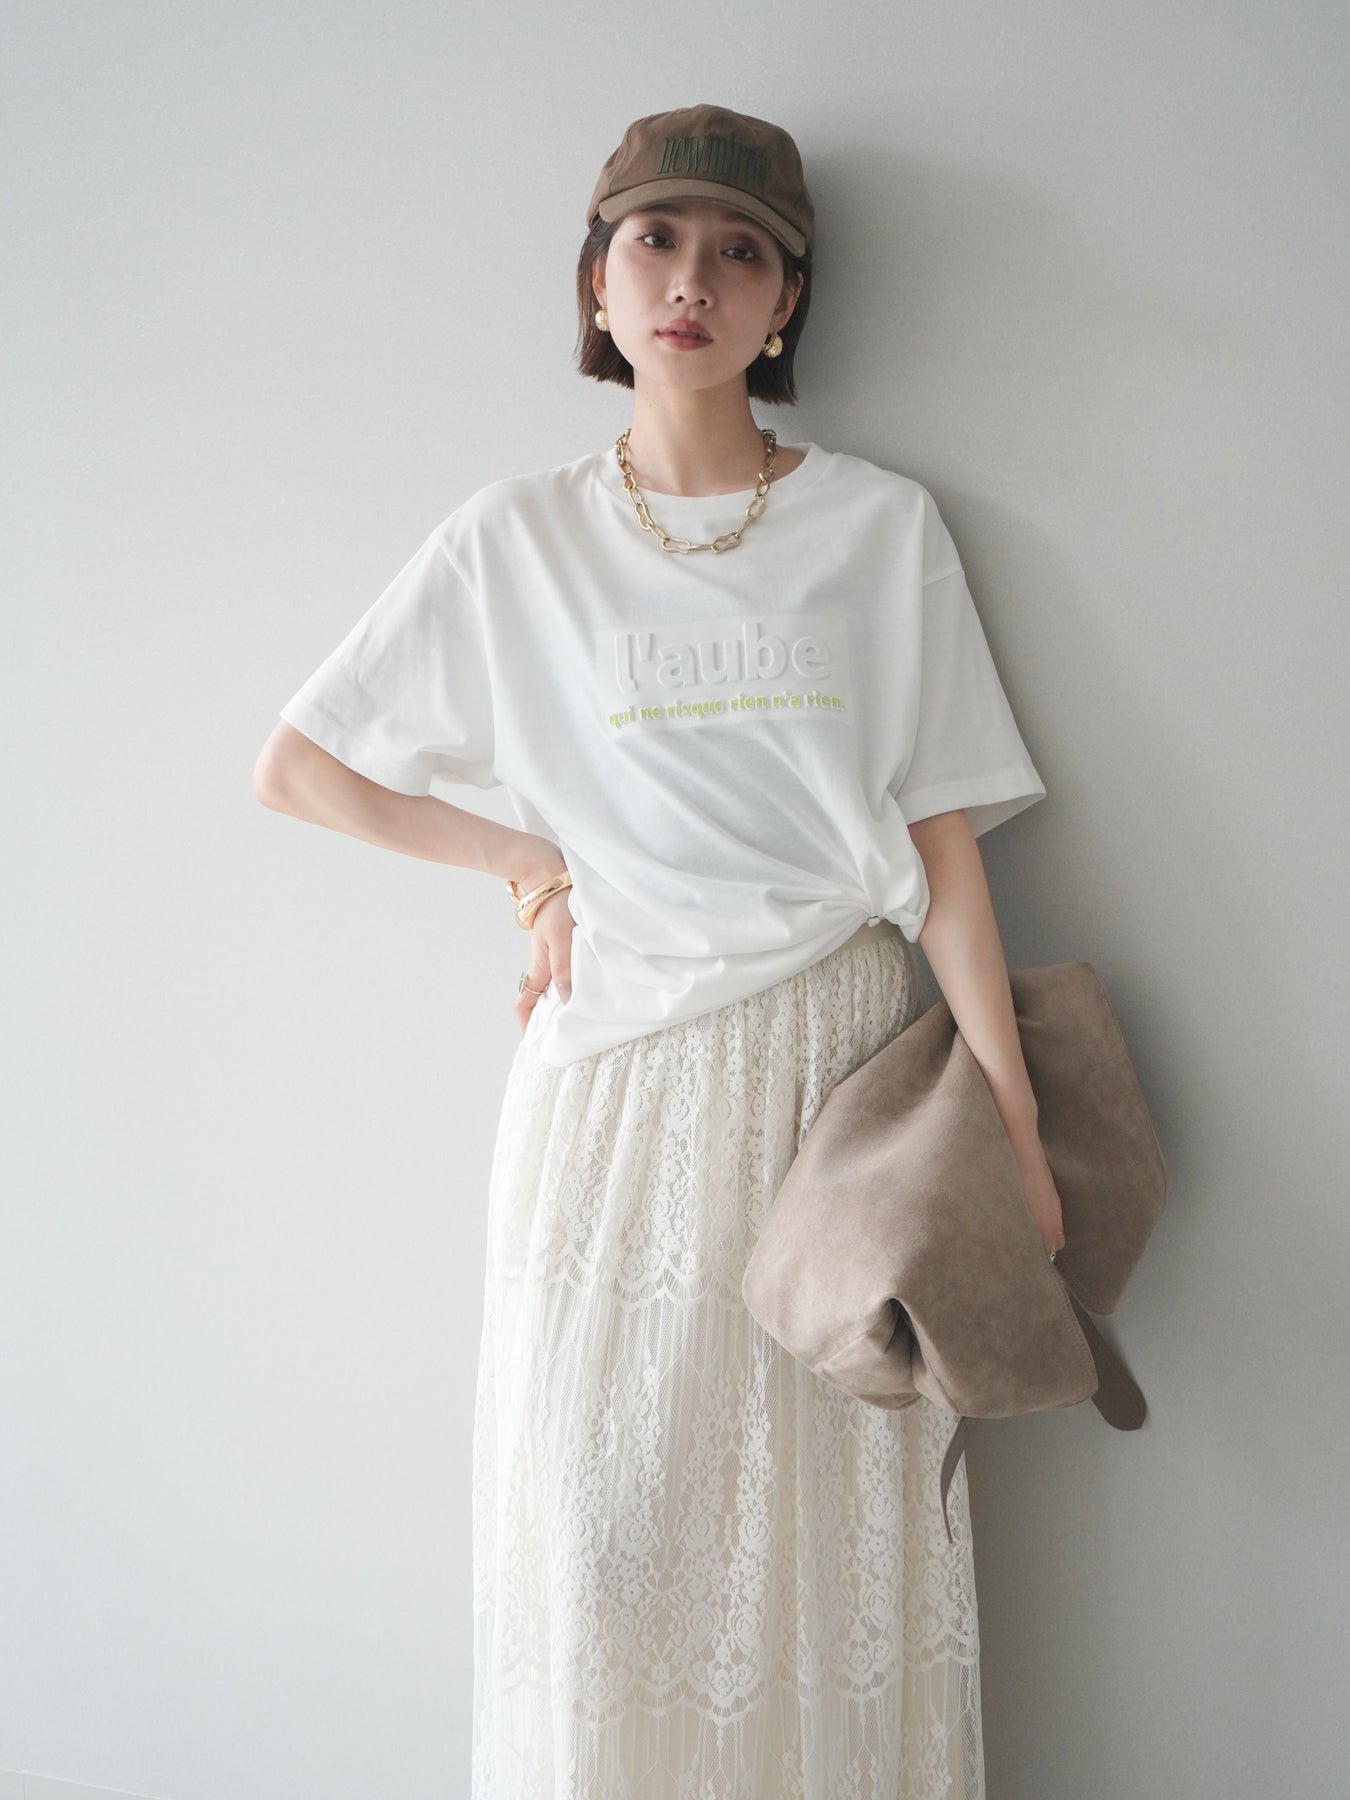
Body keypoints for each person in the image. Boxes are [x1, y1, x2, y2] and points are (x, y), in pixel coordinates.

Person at [254, 101, 1062, 1800]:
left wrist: (1005, 1109)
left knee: (827, 1540)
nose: (691, 279)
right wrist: (523, 861)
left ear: (786, 303)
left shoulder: (880, 527)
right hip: (616, 1093)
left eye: (739, 251)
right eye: (655, 240)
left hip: (842, 1083)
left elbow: (940, 847)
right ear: (597, 282)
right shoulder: (513, 537)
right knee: (601, 1544)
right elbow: (301, 766)